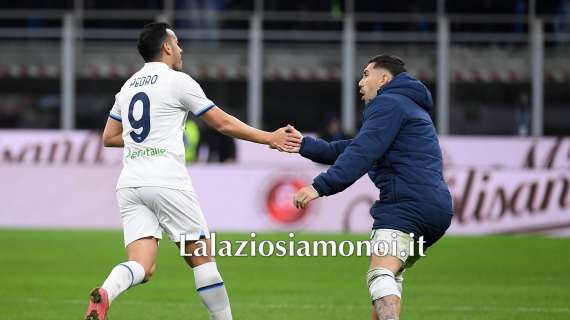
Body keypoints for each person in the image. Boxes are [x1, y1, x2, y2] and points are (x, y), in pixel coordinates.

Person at [85, 22, 301, 320]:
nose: (181, 48)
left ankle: (107, 291)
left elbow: (109, 137)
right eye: (178, 42)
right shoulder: (178, 81)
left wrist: (147, 138)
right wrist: (270, 138)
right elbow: (221, 123)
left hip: (131, 183)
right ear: (167, 47)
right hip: (166, 181)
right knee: (202, 257)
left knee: (143, 266)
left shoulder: (128, 86)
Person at [289, 55, 453, 320]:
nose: (360, 82)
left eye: (366, 74)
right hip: (435, 210)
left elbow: (362, 152)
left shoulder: (388, 103)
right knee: (389, 279)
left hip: (406, 206)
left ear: (384, 79)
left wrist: (319, 187)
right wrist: (303, 145)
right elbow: (350, 148)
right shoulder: (407, 106)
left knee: (380, 276)